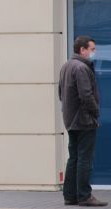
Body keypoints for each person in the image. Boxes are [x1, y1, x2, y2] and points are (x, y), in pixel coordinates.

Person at [59, 36, 107, 207]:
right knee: (85, 158)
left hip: (71, 119)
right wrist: (95, 113)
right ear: (82, 50)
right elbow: (86, 95)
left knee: (74, 158)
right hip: (84, 120)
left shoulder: (66, 66)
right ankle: (84, 196)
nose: (94, 52)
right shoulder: (81, 68)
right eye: (92, 49)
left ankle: (70, 196)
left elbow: (60, 93)